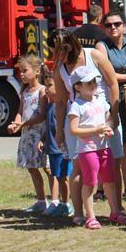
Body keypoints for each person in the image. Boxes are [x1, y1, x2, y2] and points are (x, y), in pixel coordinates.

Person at [51, 28, 124, 226]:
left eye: (62, 51)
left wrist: (114, 115)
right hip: (78, 120)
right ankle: (80, 213)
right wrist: (59, 131)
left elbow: (113, 83)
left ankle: (117, 209)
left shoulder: (94, 54)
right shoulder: (60, 69)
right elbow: (60, 102)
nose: (59, 56)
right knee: (79, 168)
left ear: (71, 46)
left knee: (112, 163)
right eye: (56, 51)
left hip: (103, 114)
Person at [96, 11, 126, 204]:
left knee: (124, 143)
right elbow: (107, 75)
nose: (113, 28)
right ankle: (102, 187)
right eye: (108, 25)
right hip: (109, 100)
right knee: (106, 144)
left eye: (117, 24)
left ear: (123, 25)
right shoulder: (101, 46)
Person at [67, 65, 118, 230]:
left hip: (104, 147)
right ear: (78, 87)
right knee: (90, 182)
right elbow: (74, 130)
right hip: (87, 150)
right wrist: (95, 130)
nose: (94, 84)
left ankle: (115, 211)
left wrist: (108, 127)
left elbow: (108, 119)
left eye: (94, 81)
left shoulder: (100, 101)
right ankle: (90, 216)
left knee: (109, 180)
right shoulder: (77, 105)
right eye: (88, 82)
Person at [7, 54, 50, 214]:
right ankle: (40, 200)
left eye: (25, 70)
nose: (22, 74)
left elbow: (42, 115)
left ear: (37, 71)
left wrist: (23, 123)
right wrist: (15, 123)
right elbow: (21, 111)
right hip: (27, 135)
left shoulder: (42, 91)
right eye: (20, 71)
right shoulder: (24, 91)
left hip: (40, 134)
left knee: (47, 168)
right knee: (32, 167)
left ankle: (56, 199)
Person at [40, 70, 73, 217]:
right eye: (45, 86)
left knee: (63, 177)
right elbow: (49, 127)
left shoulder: (61, 107)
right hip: (52, 149)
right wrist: (43, 139)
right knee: (58, 177)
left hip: (61, 149)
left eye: (50, 85)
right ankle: (60, 202)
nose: (46, 89)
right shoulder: (49, 106)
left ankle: (66, 204)